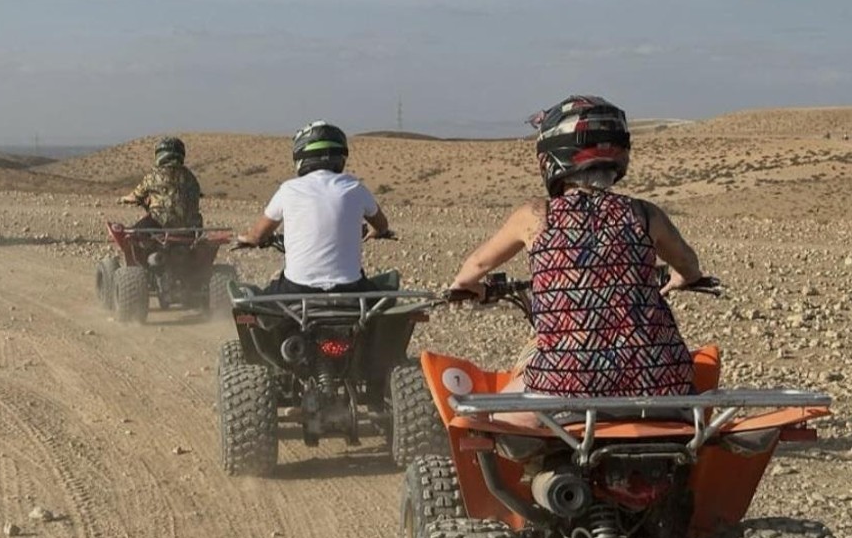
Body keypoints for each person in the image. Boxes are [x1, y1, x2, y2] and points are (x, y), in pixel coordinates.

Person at [449, 95, 703, 398]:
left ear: (551, 156)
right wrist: (681, 278)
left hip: (566, 384)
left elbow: (476, 266)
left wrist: (465, 287)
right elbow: (689, 265)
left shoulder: (534, 216)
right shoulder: (645, 215)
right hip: (660, 382)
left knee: (489, 419)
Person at [236, 120, 390, 293]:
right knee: (385, 293)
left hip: (297, 289)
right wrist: (376, 232)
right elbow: (382, 225)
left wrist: (247, 238)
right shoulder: (355, 187)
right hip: (350, 289)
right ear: (341, 156)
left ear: (300, 155)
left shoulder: (289, 189)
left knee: (255, 299)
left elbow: (258, 235)